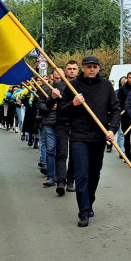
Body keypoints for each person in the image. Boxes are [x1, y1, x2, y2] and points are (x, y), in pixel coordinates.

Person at [62, 55, 118, 227]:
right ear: (83, 68)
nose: (92, 69)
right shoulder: (73, 86)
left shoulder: (106, 86)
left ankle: (89, 202)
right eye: (89, 66)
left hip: (99, 137)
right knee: (81, 175)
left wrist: (112, 129)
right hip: (79, 137)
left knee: (94, 174)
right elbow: (62, 111)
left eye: (95, 66)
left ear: (99, 68)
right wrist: (74, 103)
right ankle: (83, 211)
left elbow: (115, 109)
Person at [49, 61, 80, 196]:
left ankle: (70, 180)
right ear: (65, 71)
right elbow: (50, 104)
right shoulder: (58, 85)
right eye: (69, 69)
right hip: (61, 123)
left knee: (74, 154)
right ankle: (60, 181)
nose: (72, 71)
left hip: (77, 124)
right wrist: (52, 98)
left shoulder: (81, 85)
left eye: (74, 69)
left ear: (78, 71)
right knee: (62, 153)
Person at [116, 73, 131, 152]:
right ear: (127, 78)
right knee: (125, 135)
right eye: (130, 77)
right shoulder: (122, 89)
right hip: (125, 115)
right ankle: (126, 154)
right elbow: (119, 102)